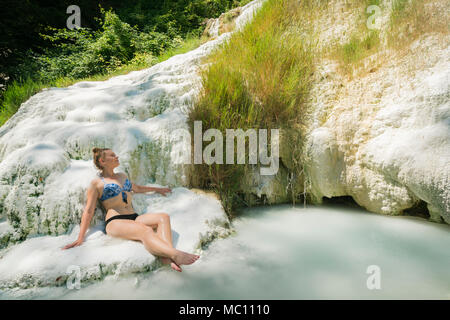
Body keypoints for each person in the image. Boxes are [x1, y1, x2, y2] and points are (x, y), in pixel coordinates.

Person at [62, 147, 199, 272]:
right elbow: (89, 210)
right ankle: (175, 254)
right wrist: (80, 238)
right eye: (112, 155)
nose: (117, 157)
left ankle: (166, 256)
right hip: (115, 221)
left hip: (134, 216)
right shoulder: (96, 183)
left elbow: (137, 188)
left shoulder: (122, 176)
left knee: (163, 217)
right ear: (102, 161)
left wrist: (158, 189)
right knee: (145, 230)